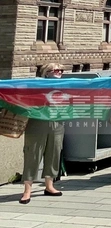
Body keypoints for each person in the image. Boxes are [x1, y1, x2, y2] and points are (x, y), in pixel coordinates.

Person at [19, 63, 66, 204]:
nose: (59, 72)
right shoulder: (36, 85)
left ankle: (49, 186)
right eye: (56, 70)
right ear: (47, 72)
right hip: (37, 123)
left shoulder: (65, 85)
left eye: (61, 70)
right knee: (33, 154)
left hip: (57, 123)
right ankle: (27, 191)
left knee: (54, 154)